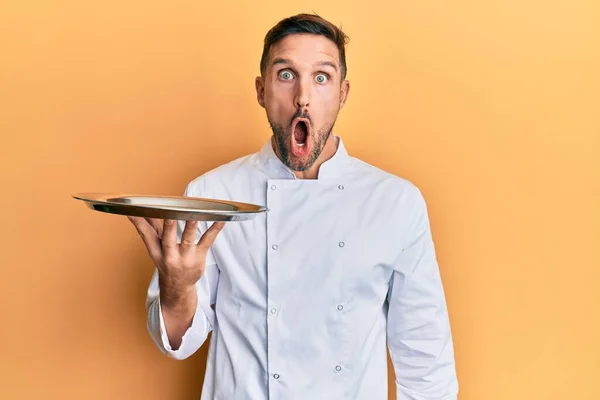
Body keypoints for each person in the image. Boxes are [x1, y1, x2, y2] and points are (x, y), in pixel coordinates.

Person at [128, 13, 459, 400]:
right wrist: (177, 288)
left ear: (342, 93)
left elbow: (425, 358)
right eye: (286, 74)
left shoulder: (395, 202)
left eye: (322, 77)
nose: (302, 96)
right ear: (261, 90)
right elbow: (181, 342)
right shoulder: (213, 192)